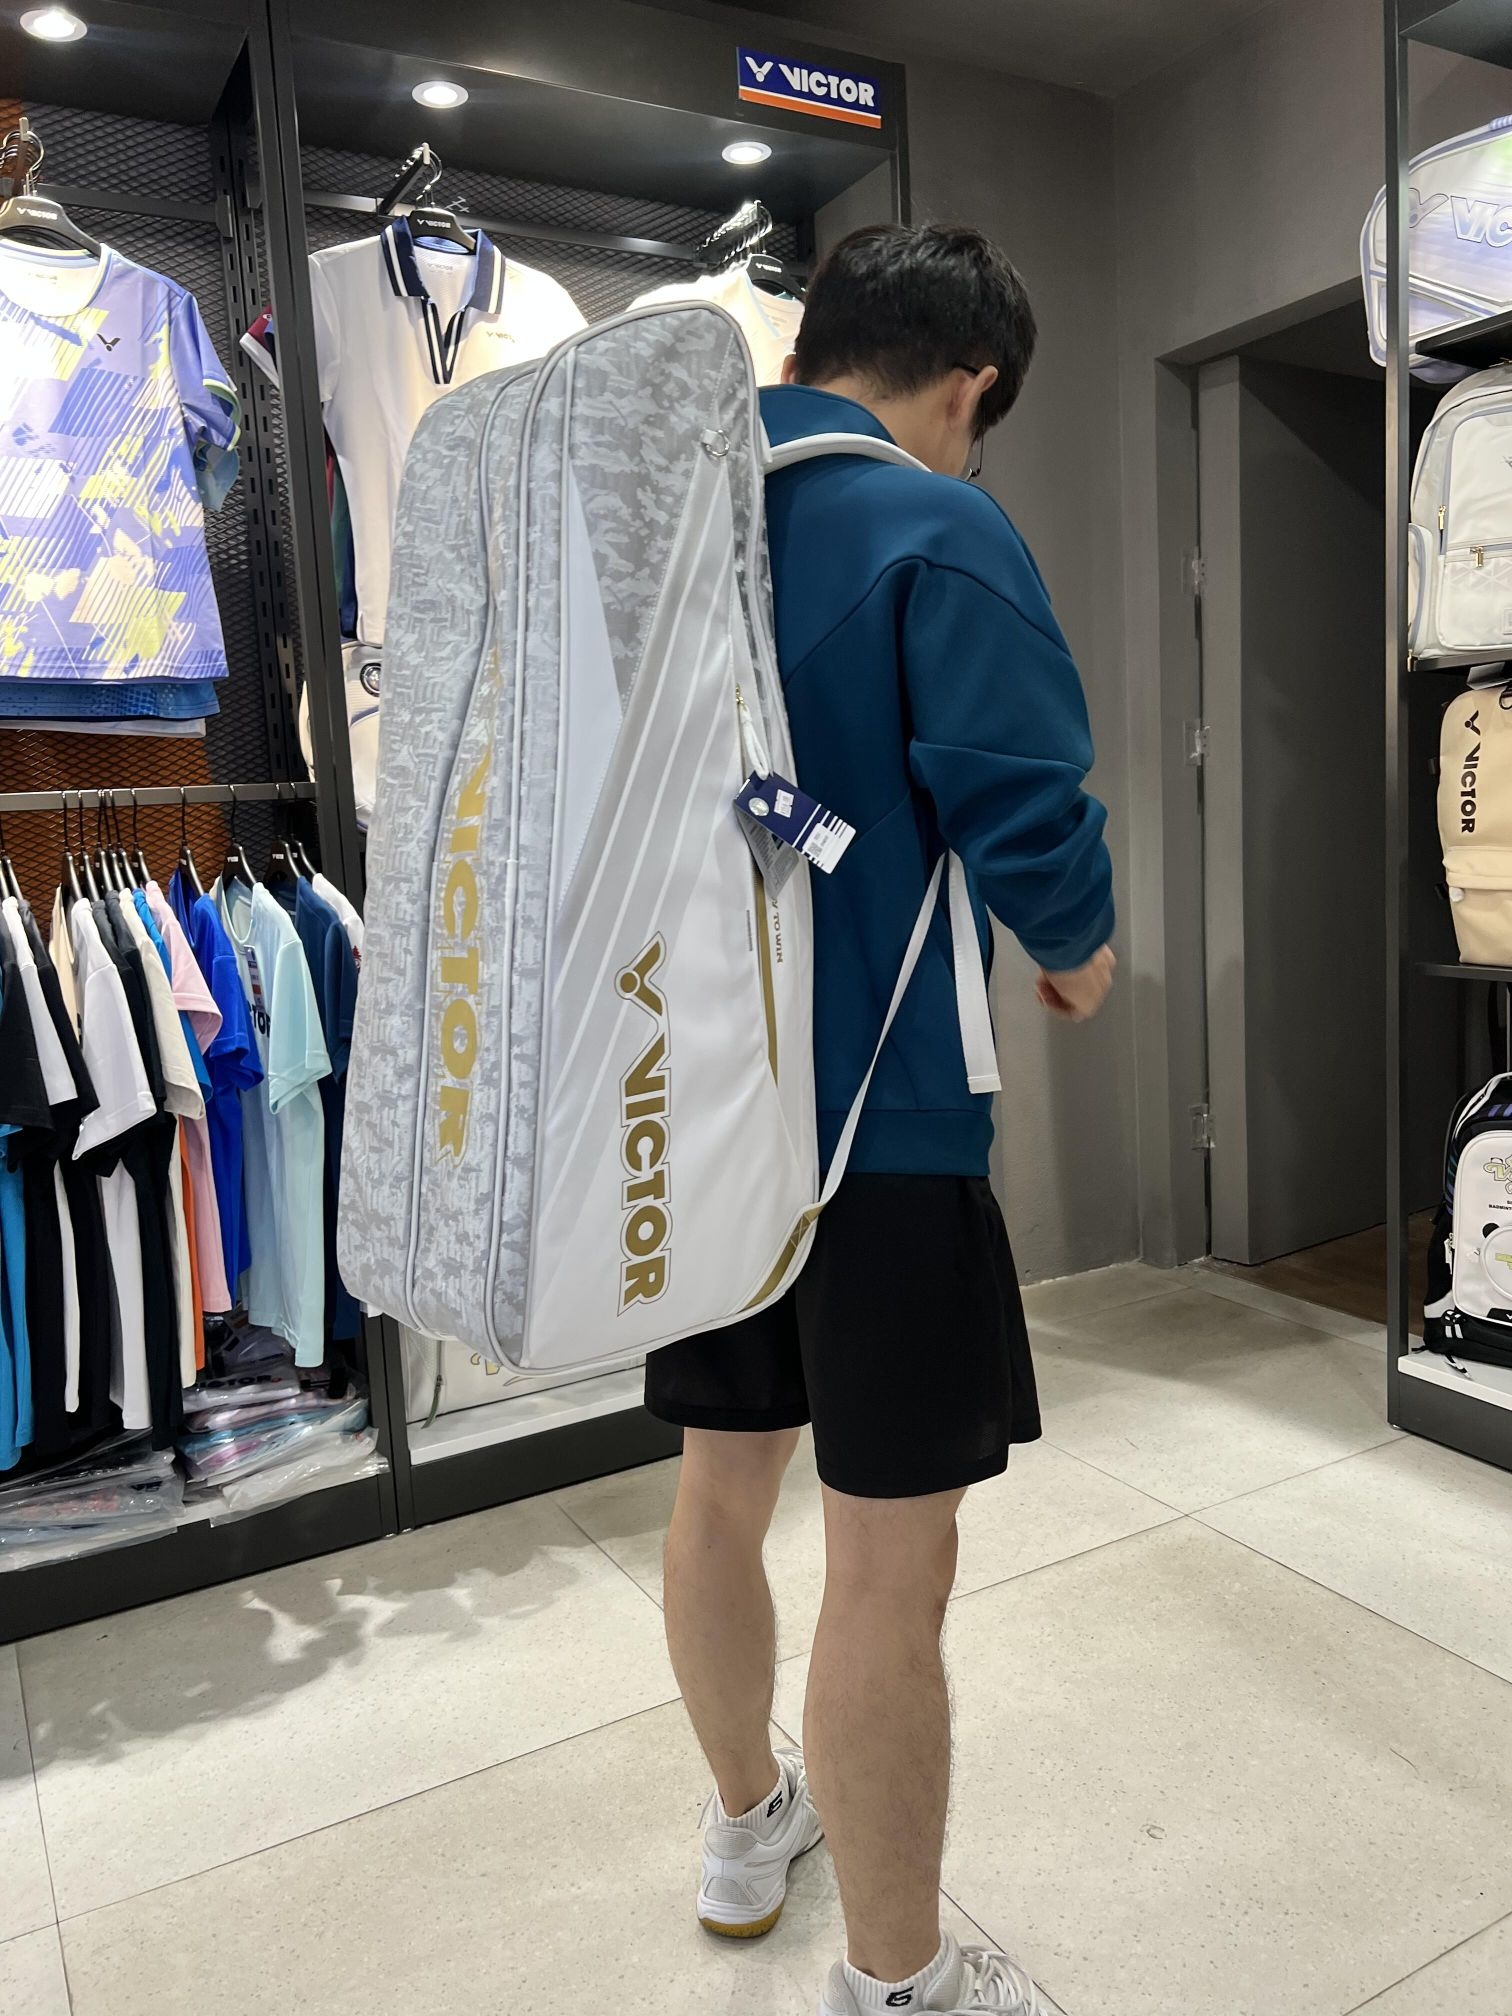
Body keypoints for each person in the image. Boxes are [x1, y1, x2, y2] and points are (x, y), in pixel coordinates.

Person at [643, 222, 1116, 2016]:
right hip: (887, 1120)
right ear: (972, 384)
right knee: (890, 1560)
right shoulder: (936, 524)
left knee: (719, 1488)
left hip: (697, 1106)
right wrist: (1079, 951)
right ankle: (902, 1986)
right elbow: (1022, 801)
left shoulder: (667, 534)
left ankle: (745, 1824)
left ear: (807, 349)